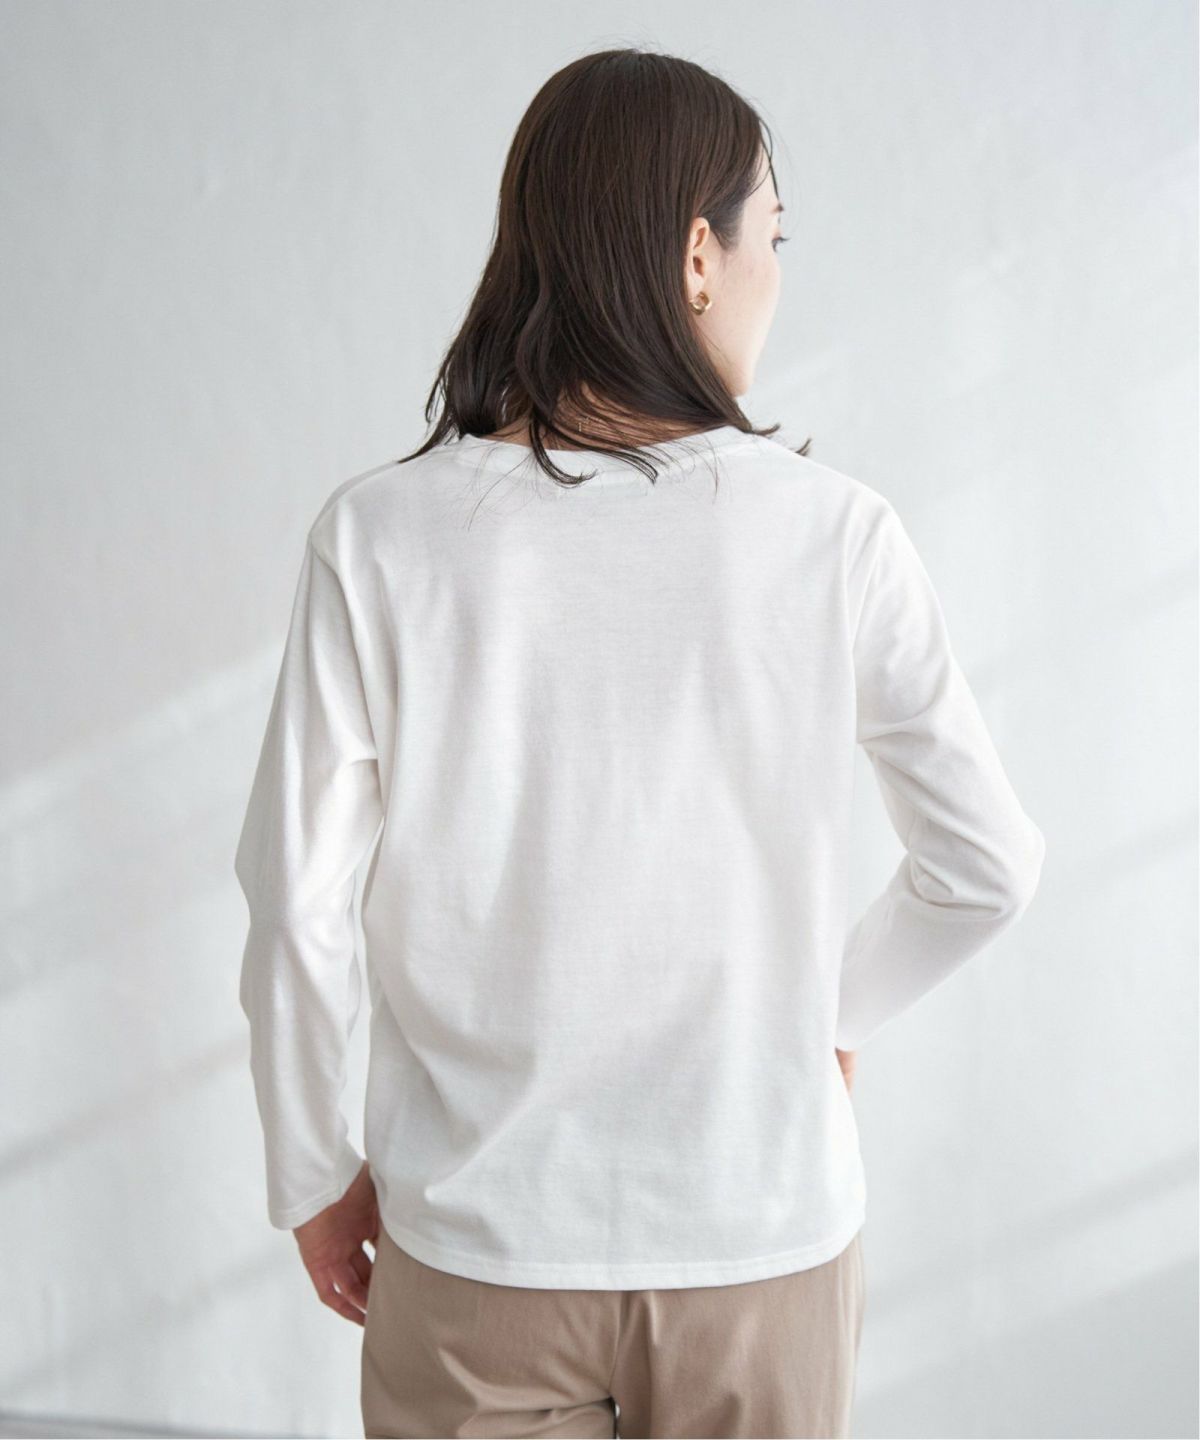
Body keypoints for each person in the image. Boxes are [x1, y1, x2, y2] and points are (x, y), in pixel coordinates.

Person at [233, 45, 1045, 1440]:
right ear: (697, 257)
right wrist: (827, 1017)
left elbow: (296, 899)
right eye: (773, 235)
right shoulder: (835, 535)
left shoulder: (379, 537)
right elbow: (987, 869)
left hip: (478, 1249)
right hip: (762, 1239)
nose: (776, 274)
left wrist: (313, 1171)